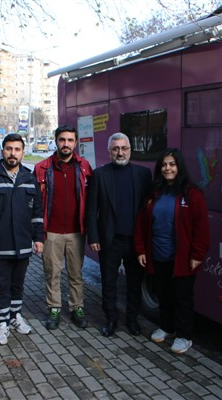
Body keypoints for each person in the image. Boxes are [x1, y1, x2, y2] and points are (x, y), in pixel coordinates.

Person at [133, 148, 210, 354]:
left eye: (172, 164)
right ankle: (167, 327)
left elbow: (201, 228)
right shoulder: (153, 193)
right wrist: (141, 249)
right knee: (164, 296)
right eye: (164, 165)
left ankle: (184, 336)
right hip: (158, 256)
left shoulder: (192, 194)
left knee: (182, 298)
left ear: (179, 167)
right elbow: (141, 224)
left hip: (182, 259)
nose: (168, 168)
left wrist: (197, 255)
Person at [0, 133, 44, 345]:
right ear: (2, 151)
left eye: (17, 149)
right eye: (9, 149)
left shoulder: (29, 178)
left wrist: (38, 238)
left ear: (23, 152)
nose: (13, 153)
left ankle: (15, 317)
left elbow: (37, 212)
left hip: (22, 245)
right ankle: (1, 323)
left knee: (17, 284)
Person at [86, 132, 152, 337]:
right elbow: (91, 209)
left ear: (130, 150)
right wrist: (94, 237)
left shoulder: (143, 174)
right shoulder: (100, 175)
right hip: (109, 240)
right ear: (109, 152)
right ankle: (111, 319)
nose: (120, 152)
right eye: (116, 149)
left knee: (134, 283)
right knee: (109, 282)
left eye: (124, 148)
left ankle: (132, 320)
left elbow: (148, 208)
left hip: (135, 241)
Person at [33, 125, 93, 330]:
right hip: (52, 232)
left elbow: (90, 200)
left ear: (75, 143)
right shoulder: (42, 168)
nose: (66, 144)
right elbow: (36, 204)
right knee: (52, 273)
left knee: (76, 274)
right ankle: (54, 309)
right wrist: (38, 235)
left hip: (76, 232)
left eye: (70, 140)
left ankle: (77, 307)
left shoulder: (84, 167)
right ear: (56, 141)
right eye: (62, 140)